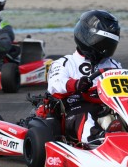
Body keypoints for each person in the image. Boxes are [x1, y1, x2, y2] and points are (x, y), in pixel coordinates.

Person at [47, 10, 122, 144]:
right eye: (103, 43)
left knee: (120, 113)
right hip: (75, 108)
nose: (105, 48)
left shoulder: (113, 65)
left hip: (106, 107)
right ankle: (96, 139)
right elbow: (55, 84)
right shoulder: (66, 62)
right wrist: (75, 84)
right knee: (84, 116)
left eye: (109, 44)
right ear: (87, 37)